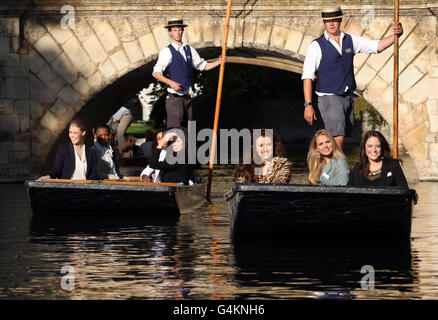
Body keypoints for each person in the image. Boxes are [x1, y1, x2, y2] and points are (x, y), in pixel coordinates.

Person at [302, 6, 403, 149]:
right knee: (338, 138)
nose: (331, 24)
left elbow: (377, 46)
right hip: (329, 96)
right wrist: (308, 105)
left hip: (348, 95)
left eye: (334, 20)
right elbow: (307, 76)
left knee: (340, 138)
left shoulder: (350, 40)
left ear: (340, 20)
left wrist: (396, 36)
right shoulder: (316, 46)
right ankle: (335, 169)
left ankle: (330, 167)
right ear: (324, 23)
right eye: (327, 21)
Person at [152, 18, 226, 129]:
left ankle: (188, 146)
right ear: (170, 32)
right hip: (174, 98)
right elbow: (156, 73)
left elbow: (203, 66)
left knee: (189, 131)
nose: (178, 32)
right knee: (176, 131)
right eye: (175, 30)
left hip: (188, 97)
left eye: (180, 30)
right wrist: (170, 82)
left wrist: (219, 62)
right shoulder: (167, 52)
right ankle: (164, 146)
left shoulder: (190, 50)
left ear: (183, 31)